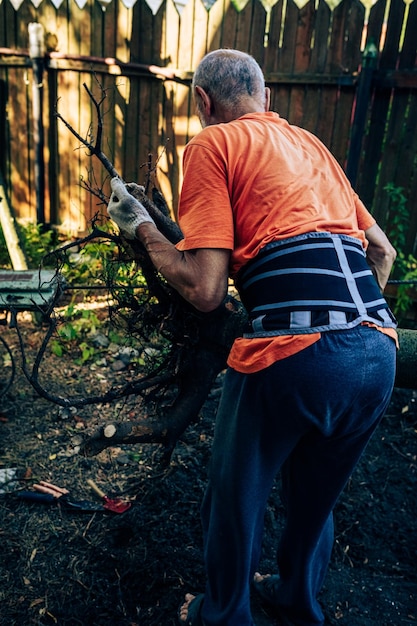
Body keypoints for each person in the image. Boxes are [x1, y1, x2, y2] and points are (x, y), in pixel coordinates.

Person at [107, 49, 398, 626]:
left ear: (203, 103)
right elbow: (381, 251)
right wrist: (348, 322)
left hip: (294, 353)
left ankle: (223, 613)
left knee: (234, 494)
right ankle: (295, 597)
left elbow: (207, 288)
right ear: (267, 100)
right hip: (378, 347)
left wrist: (141, 226)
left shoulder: (213, 144)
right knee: (316, 497)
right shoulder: (311, 144)